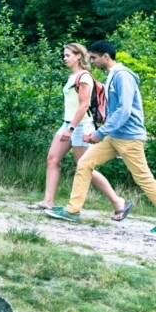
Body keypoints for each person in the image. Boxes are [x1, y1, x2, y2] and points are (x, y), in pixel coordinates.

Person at [46, 40, 156, 223]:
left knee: (143, 178)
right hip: (114, 136)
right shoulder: (112, 75)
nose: (92, 61)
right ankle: (72, 210)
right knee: (84, 163)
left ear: (106, 56)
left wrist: (99, 133)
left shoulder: (122, 76)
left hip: (129, 138)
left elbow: (124, 110)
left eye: (94, 58)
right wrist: (104, 132)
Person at [31, 43, 127, 214]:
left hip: (81, 126)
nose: (64, 58)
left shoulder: (84, 77)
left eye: (68, 55)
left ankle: (117, 201)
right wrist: (68, 127)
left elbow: (84, 106)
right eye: (64, 55)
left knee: (84, 166)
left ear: (78, 56)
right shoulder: (72, 76)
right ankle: (47, 202)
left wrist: (71, 129)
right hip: (68, 123)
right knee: (52, 159)